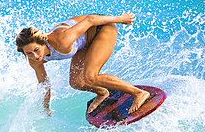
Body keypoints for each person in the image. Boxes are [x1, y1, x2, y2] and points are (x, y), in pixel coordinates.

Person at [15, 12, 150, 117]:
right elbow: (44, 84)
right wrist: (46, 107)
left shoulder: (61, 40)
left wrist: (121, 19)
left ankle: (138, 93)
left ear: (42, 42)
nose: (35, 56)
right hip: (84, 41)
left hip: (102, 28)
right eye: (29, 53)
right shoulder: (34, 61)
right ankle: (103, 93)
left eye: (36, 50)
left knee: (91, 77)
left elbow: (90, 19)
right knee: (76, 82)